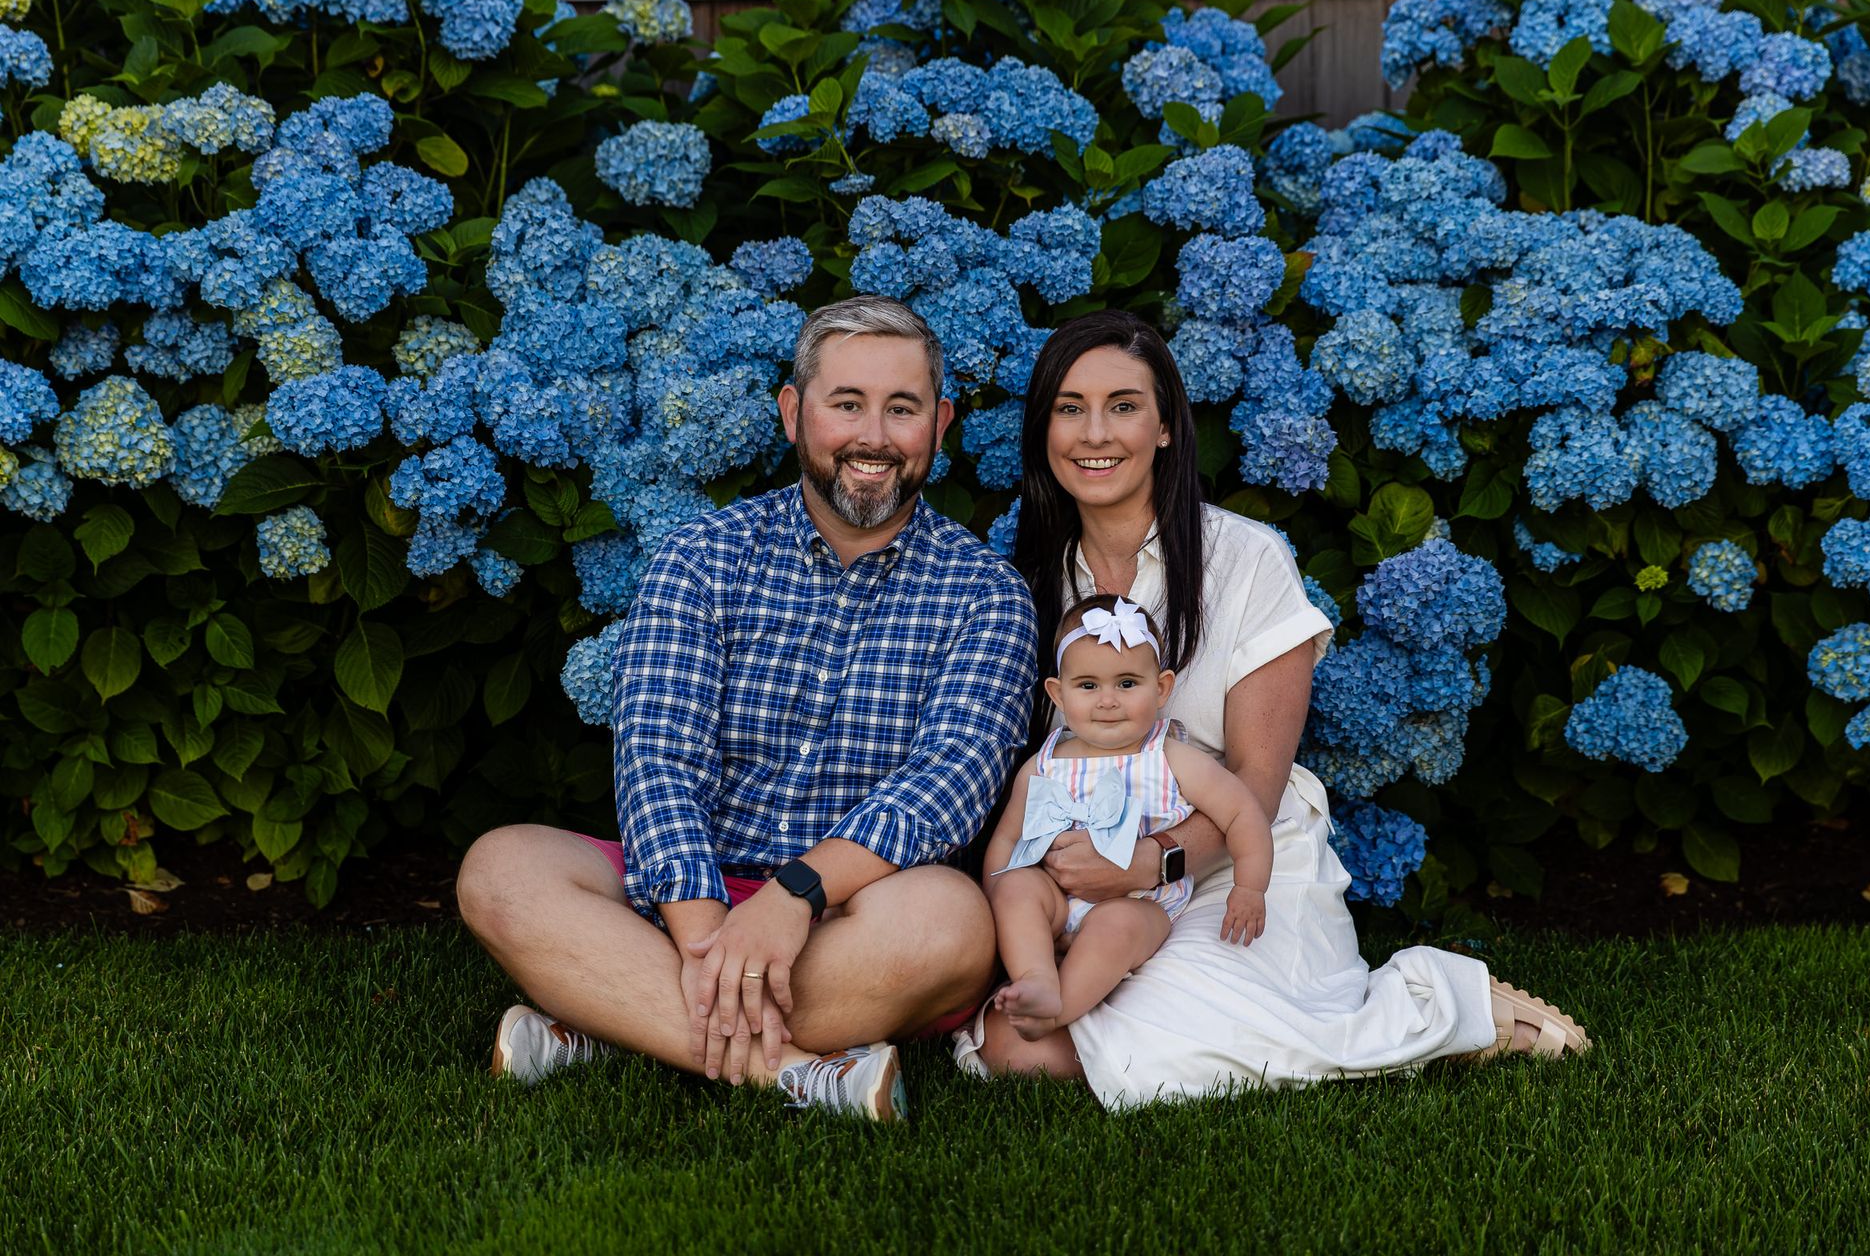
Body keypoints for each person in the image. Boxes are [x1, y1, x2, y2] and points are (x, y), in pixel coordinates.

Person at [953, 309, 1589, 1105]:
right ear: (1043, 429)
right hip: (1083, 876)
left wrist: (1153, 863)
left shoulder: (1245, 556)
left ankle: (1445, 1004)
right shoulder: (1025, 578)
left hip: (1235, 859)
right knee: (1021, 1050)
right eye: (1069, 407)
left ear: (1165, 429)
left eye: (1123, 405)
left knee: (1163, 1046)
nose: (1095, 433)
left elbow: (1255, 779)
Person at [457, 294, 1038, 1122]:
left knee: (952, 923)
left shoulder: (987, 595)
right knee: (502, 869)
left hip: (855, 912)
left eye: (901, 408)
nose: (874, 435)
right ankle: (798, 1074)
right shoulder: (701, 556)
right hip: (687, 887)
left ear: (939, 424)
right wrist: (703, 933)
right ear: (793, 413)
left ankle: (606, 1015)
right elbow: (658, 757)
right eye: (847, 404)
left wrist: (792, 898)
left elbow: (948, 784)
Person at [985, 593, 1275, 1043]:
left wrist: (1250, 885)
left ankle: (1059, 1009)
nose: (1107, 701)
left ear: (1160, 688)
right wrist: (1000, 898)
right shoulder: (1043, 764)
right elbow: (1005, 843)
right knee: (1016, 884)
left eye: (1126, 684)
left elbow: (1242, 813)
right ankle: (1036, 976)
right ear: (1058, 694)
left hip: (1142, 901)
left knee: (1116, 925)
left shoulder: (1168, 756)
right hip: (1057, 898)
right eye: (1087, 686)